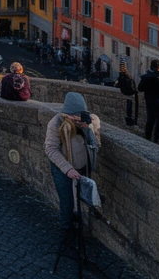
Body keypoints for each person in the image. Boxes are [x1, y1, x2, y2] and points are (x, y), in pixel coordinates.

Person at [44, 92, 101, 230]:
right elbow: (51, 149)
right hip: (62, 168)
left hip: (82, 167)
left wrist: (87, 129)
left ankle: (77, 228)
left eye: (79, 117)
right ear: (66, 114)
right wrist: (67, 169)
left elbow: (96, 146)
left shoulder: (90, 121)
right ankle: (66, 234)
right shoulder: (56, 122)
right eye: (73, 118)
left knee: (82, 202)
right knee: (67, 203)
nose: (77, 121)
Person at [138, 60, 159, 142]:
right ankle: (156, 140)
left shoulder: (146, 77)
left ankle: (147, 139)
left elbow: (140, 89)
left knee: (150, 121)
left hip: (150, 101)